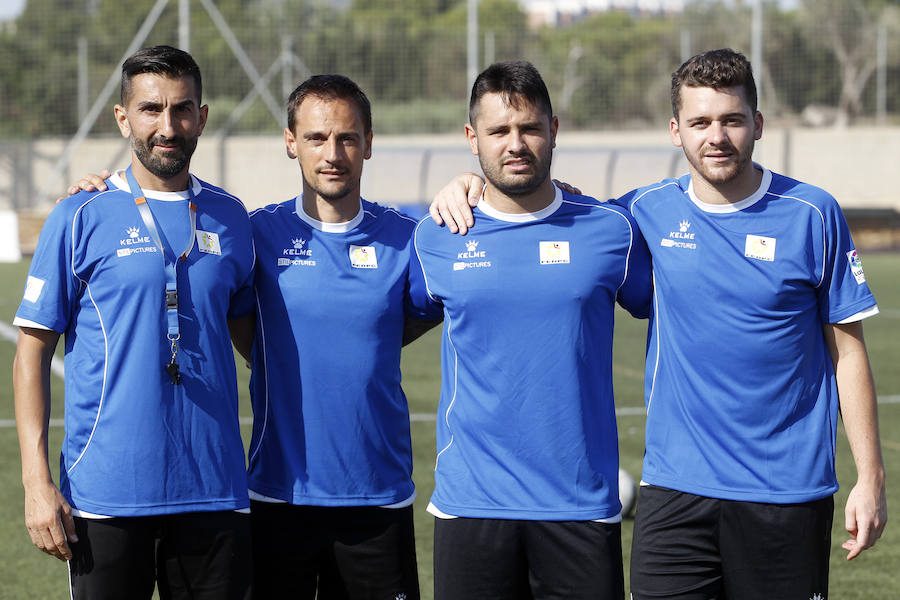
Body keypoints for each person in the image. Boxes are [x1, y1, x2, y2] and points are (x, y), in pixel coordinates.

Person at [430, 48, 887, 600]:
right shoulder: (640, 214)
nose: (715, 136)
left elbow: (849, 352)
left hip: (785, 490)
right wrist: (468, 182)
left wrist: (871, 477)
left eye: (732, 120)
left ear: (758, 124)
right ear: (676, 131)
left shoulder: (813, 214)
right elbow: (548, 206)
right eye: (699, 122)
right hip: (673, 493)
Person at [13, 45, 254, 599]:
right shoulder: (79, 215)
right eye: (151, 109)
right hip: (106, 495)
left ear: (202, 116)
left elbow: (255, 346)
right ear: (124, 118)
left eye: (182, 109)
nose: (167, 126)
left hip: (215, 491)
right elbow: (31, 353)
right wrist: (35, 482)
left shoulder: (233, 217)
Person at [408, 60, 652, 599]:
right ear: (472, 139)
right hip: (470, 506)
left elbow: (680, 313)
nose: (515, 143)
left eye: (529, 128)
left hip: (580, 507)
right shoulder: (438, 235)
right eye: (498, 131)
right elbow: (381, 326)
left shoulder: (611, 232)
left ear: (554, 130)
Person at [231, 74, 440, 599]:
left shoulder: (406, 237)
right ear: (290, 143)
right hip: (280, 495)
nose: (333, 153)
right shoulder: (256, 234)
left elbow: (415, 316)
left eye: (348, 137)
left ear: (369, 143)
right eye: (317, 138)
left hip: (376, 496)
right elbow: (239, 321)